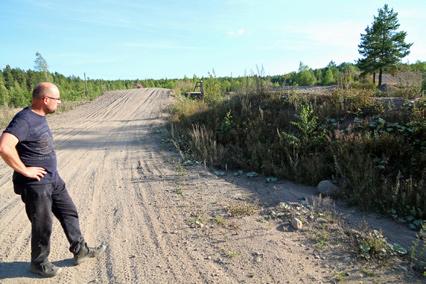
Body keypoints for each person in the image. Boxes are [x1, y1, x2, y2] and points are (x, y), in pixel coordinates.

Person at [0, 82, 106, 278]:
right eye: (57, 98)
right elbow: (4, 146)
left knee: (69, 212)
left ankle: (80, 249)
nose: (59, 102)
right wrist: (25, 170)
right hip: (37, 185)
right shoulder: (24, 119)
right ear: (45, 99)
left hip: (53, 179)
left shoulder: (39, 116)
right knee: (42, 224)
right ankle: (39, 263)